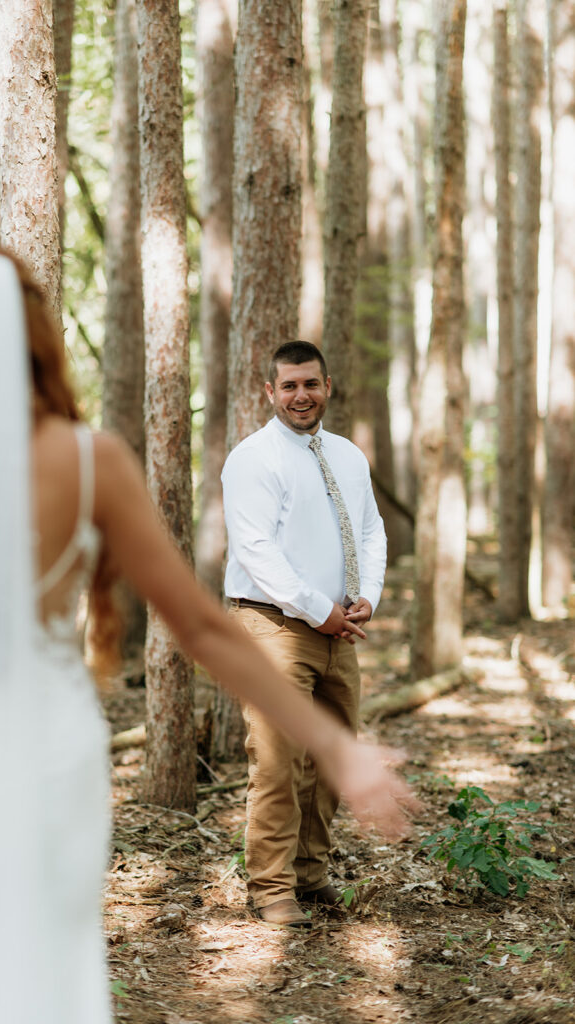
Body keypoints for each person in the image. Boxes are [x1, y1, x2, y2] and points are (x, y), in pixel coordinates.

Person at [0, 251, 415, 1022]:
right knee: (40, 955)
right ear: (41, 332)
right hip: (41, 746)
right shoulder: (87, 460)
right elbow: (203, 625)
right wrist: (337, 747)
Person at [222, 340, 391, 927]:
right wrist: (317, 608)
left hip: (338, 629)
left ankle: (310, 873)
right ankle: (271, 889)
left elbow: (371, 531)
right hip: (272, 625)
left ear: (327, 386)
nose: (301, 396)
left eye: (310, 384)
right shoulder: (253, 458)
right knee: (277, 758)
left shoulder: (346, 455)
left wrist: (368, 592)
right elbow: (256, 551)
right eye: (289, 385)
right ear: (269, 392)